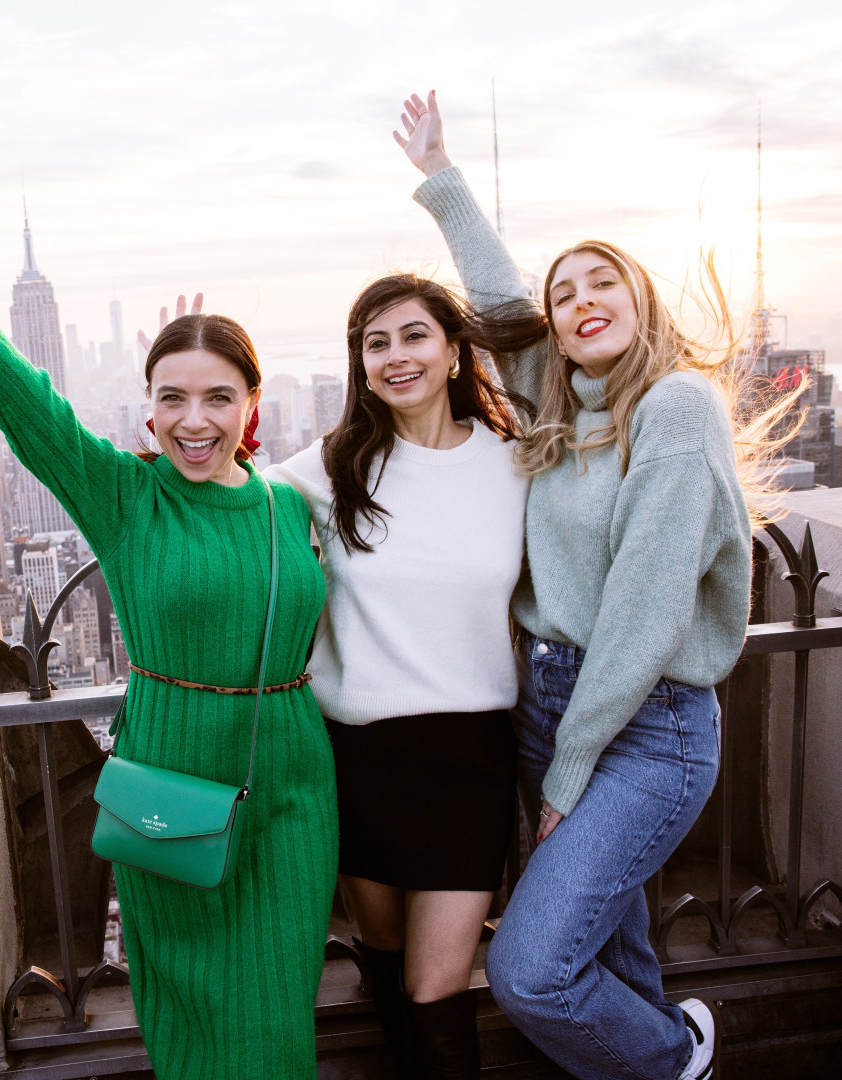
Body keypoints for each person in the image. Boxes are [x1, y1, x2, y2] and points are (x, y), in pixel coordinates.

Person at [0, 154, 338, 1080]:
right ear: (146, 411)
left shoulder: (288, 502)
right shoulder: (124, 494)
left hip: (295, 787)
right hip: (173, 782)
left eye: (218, 397)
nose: (196, 420)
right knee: (197, 1021)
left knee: (279, 1017)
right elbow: (11, 381)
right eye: (172, 398)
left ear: (253, 405)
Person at [394, 90, 768, 1080]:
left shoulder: (678, 409)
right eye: (567, 294)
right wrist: (441, 179)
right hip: (550, 699)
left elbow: (647, 611)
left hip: (646, 725)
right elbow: (502, 302)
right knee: (608, 948)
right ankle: (653, 1047)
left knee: (533, 969)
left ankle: (680, 1057)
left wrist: (570, 766)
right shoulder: (559, 414)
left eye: (604, 282)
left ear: (640, 303)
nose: (581, 299)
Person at [265, 273, 545, 1078]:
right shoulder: (330, 467)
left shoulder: (516, 465)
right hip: (358, 758)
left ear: (455, 351)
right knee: (384, 961)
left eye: (414, 335)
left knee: (438, 983)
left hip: (470, 760)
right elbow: (227, 493)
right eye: (375, 342)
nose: (396, 357)